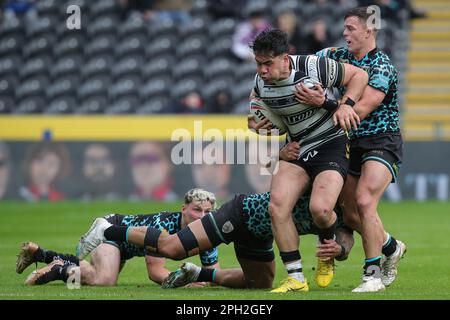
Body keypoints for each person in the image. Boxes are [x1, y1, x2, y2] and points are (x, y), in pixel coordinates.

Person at [247, 29, 368, 293]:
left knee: (321, 210)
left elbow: (360, 75)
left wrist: (346, 103)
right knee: (276, 207)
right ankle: (296, 278)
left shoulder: (313, 66)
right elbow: (257, 103)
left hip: (331, 144)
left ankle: (326, 250)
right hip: (297, 148)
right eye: (259, 63)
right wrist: (257, 125)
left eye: (268, 63)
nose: (263, 70)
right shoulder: (260, 82)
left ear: (285, 58)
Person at [297, 7, 407, 292]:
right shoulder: (336, 56)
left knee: (364, 201)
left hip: (381, 139)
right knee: (350, 215)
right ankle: (391, 247)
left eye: (351, 28)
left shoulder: (382, 66)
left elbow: (362, 108)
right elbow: (303, 65)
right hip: (347, 142)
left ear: (369, 31)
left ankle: (372, 276)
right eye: (344, 28)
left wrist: (324, 102)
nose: (345, 33)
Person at [76, 191, 355, 290]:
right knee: (173, 248)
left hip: (261, 234)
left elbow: (349, 235)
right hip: (243, 213)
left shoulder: (351, 206)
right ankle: (108, 230)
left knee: (258, 285)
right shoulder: (323, 182)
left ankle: (198, 273)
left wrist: (340, 249)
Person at [16, 188, 219, 287]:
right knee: (104, 280)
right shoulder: (164, 225)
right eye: (197, 210)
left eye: (207, 211)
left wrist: (207, 280)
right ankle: (58, 271)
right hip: (111, 230)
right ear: (183, 209)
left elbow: (214, 273)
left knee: (93, 275)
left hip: (124, 249)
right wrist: (188, 283)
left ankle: (42, 255)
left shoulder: (206, 232)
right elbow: (156, 272)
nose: (202, 216)